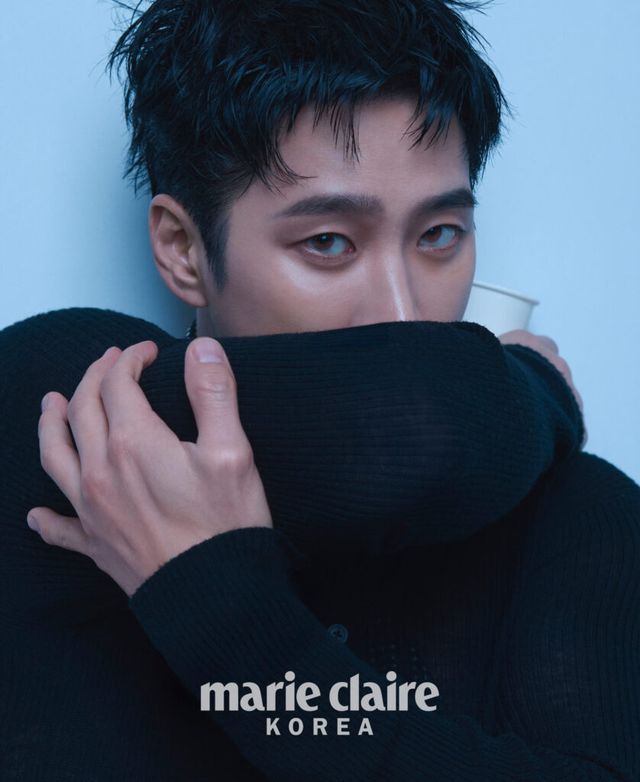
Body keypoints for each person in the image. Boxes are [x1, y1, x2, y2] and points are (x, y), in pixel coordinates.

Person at [1, 1, 638, 780]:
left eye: (439, 235)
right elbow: (425, 421)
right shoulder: (72, 409)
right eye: (328, 242)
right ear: (183, 249)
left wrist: (227, 615)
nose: (404, 314)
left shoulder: (575, 514)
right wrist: (540, 386)